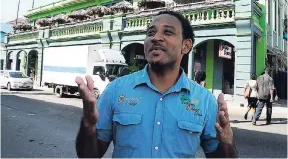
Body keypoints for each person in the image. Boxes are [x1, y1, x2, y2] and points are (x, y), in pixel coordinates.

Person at [75, 10, 238, 158]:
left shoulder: (204, 100)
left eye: (167, 32)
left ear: (186, 46)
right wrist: (88, 124)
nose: (156, 38)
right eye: (150, 33)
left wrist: (227, 142)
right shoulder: (116, 90)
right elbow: (88, 156)